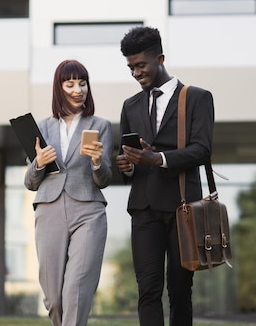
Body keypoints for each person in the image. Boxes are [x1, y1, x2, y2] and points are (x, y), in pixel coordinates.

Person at [116, 26, 214, 326]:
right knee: (147, 290)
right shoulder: (130, 106)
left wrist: (156, 158)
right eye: (131, 67)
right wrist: (128, 165)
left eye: (141, 65)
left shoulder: (197, 97)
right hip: (143, 209)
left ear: (159, 58)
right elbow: (127, 164)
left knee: (180, 291)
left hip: (181, 208)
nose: (135, 73)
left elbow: (202, 150)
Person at [24, 59, 113, 326]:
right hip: (49, 209)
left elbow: (105, 178)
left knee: (76, 291)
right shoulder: (41, 128)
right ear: (59, 88)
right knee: (54, 298)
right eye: (70, 83)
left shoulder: (101, 125)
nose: (78, 89)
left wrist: (97, 161)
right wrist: (38, 163)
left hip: (88, 211)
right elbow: (30, 182)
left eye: (82, 83)